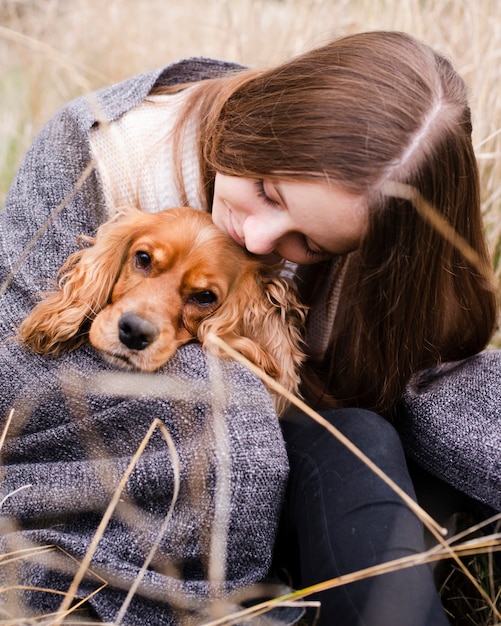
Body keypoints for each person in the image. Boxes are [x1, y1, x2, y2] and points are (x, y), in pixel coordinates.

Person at [0, 29, 498, 625]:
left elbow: (442, 381)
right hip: (107, 478)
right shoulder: (96, 150)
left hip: (293, 476)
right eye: (265, 190)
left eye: (308, 243)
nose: (258, 241)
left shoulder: (371, 260)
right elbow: (16, 356)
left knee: (363, 438)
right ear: (258, 125)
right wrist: (222, 385)